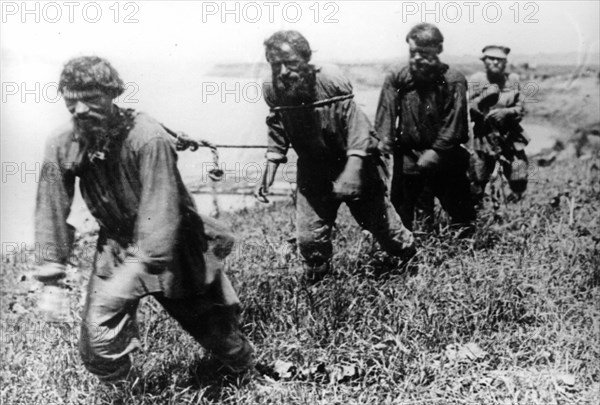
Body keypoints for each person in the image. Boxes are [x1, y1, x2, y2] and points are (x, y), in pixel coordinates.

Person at [33, 56, 254, 385]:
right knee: (97, 343)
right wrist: (51, 279)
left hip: (175, 246)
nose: (79, 109)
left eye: (91, 98)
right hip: (116, 246)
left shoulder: (148, 138)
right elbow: (51, 207)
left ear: (112, 95)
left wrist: (136, 271)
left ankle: (246, 374)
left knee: (217, 331)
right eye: (71, 99)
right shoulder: (63, 143)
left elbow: (161, 211)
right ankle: (129, 392)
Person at [255, 30, 415, 283]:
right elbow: (277, 126)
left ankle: (412, 264)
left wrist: (351, 173)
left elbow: (357, 129)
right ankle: (320, 287)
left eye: (291, 63)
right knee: (309, 238)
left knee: (383, 228)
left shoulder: (330, 81)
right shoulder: (273, 88)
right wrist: (269, 171)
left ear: (307, 61)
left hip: (356, 164)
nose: (284, 71)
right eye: (276, 65)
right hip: (313, 170)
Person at [374, 23, 476, 233]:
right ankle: (412, 249)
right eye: (413, 52)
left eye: (423, 53)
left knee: (459, 209)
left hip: (445, 153)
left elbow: (455, 124)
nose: (417, 58)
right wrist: (382, 148)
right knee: (404, 208)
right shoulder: (398, 76)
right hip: (409, 154)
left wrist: (436, 151)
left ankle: (464, 247)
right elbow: (386, 115)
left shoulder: (453, 80)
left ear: (438, 50)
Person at [468, 45, 529, 204]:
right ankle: (479, 213)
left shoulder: (513, 79)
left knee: (519, 173)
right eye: (491, 59)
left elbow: (521, 108)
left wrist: (507, 113)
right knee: (478, 177)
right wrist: (482, 100)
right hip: (484, 136)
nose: (495, 62)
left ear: (505, 62)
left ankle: (516, 209)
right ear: (484, 61)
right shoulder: (477, 79)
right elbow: (467, 108)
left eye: (500, 59)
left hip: (510, 135)